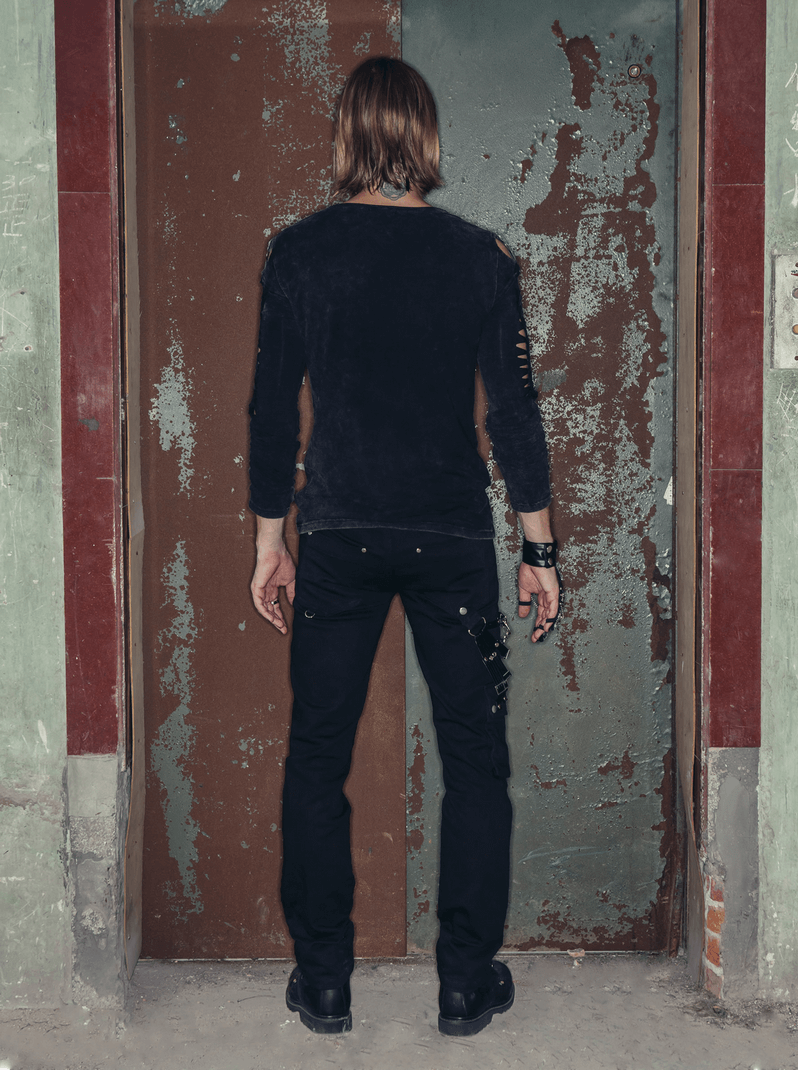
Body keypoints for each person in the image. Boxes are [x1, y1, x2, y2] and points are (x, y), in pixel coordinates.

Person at [248, 56, 560, 1038]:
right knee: (473, 757)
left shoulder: (297, 254)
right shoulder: (479, 257)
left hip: (338, 534)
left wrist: (270, 541)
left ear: (348, 135)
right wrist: (538, 549)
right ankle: (463, 984)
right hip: (451, 539)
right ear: (422, 137)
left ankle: (325, 982)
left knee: (314, 756)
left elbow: (268, 414)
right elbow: (513, 415)